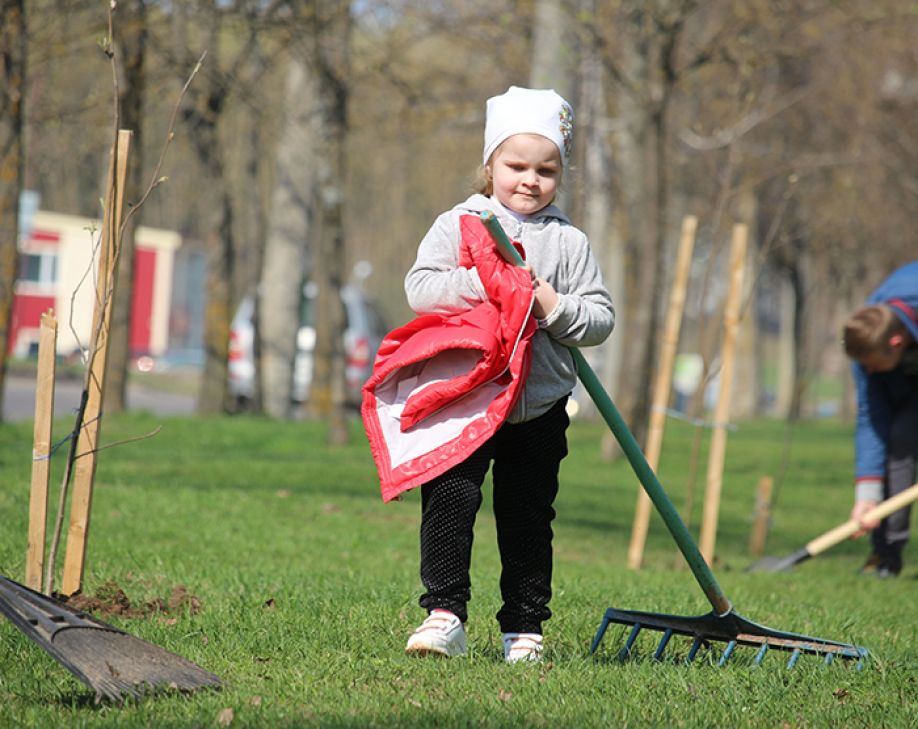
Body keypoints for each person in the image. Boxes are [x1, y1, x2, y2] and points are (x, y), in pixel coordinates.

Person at [401, 86, 615, 662]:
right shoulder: (461, 223)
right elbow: (420, 288)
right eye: (516, 165)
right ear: (490, 164)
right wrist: (478, 285)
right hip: (467, 397)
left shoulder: (569, 242)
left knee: (527, 516)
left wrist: (554, 306)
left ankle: (524, 628)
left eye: (545, 169)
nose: (529, 179)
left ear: (560, 175)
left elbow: (600, 318)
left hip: (538, 407)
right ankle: (444, 614)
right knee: (450, 498)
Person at [842, 261, 918, 577]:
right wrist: (868, 498)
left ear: (895, 343)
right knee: (900, 440)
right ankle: (885, 556)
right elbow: (871, 419)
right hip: (906, 378)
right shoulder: (870, 332)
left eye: (874, 364)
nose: (868, 371)